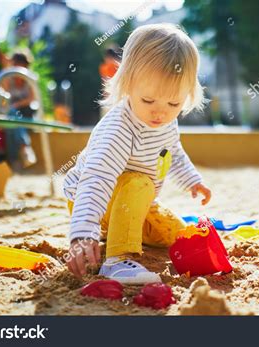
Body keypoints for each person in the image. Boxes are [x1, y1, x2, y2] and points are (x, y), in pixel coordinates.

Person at [63, 23, 211, 283]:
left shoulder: (165, 121)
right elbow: (96, 179)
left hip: (135, 202)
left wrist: (192, 180)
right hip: (93, 200)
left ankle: (119, 233)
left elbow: (172, 153)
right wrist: (83, 231)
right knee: (139, 182)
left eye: (173, 103)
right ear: (128, 84)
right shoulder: (119, 129)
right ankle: (116, 261)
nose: (160, 113)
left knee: (175, 234)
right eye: (148, 100)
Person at [1, 52, 37, 169]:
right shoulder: (7, 77)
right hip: (11, 115)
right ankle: (25, 150)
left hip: (27, 116)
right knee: (12, 122)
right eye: (17, 64)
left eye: (22, 65)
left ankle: (13, 161)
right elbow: (3, 97)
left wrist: (16, 104)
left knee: (12, 122)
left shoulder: (30, 78)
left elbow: (32, 98)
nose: (20, 68)